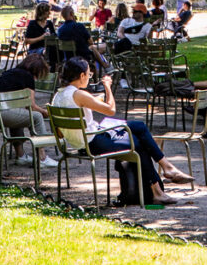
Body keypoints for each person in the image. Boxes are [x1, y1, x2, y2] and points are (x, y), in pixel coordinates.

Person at [52, 57, 192, 204]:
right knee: (138, 142)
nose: (89, 77)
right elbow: (111, 110)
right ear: (81, 76)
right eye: (89, 74)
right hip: (92, 142)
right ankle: (160, 183)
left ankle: (163, 177)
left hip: (79, 143)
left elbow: (60, 132)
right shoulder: (79, 94)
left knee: (138, 127)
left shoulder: (58, 96)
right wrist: (107, 87)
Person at [0, 53, 58, 168]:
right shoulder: (28, 77)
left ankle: (21, 156)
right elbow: (31, 107)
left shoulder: (12, 72)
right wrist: (45, 112)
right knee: (36, 116)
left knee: (18, 115)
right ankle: (42, 157)